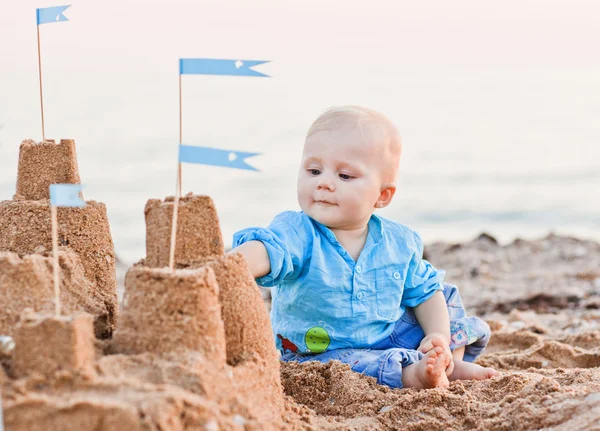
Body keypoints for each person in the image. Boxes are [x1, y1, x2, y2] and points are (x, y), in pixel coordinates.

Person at [230, 106, 499, 389]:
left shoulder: (399, 242)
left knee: (442, 297)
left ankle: (446, 361)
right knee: (352, 366)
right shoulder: (298, 232)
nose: (324, 183)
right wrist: (232, 265)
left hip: (391, 333)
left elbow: (423, 293)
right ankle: (415, 375)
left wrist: (437, 337)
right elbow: (268, 250)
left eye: (344, 176)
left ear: (382, 195)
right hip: (323, 351)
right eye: (313, 170)